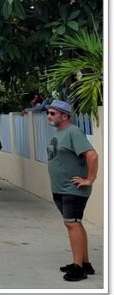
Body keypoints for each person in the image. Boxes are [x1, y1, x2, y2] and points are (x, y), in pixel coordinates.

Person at [44, 100, 98, 282]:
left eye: (53, 113)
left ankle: (78, 268)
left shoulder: (74, 132)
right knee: (75, 223)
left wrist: (90, 179)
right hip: (59, 188)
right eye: (48, 113)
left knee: (72, 223)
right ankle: (84, 263)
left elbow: (92, 155)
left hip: (72, 189)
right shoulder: (59, 133)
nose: (49, 116)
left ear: (65, 116)